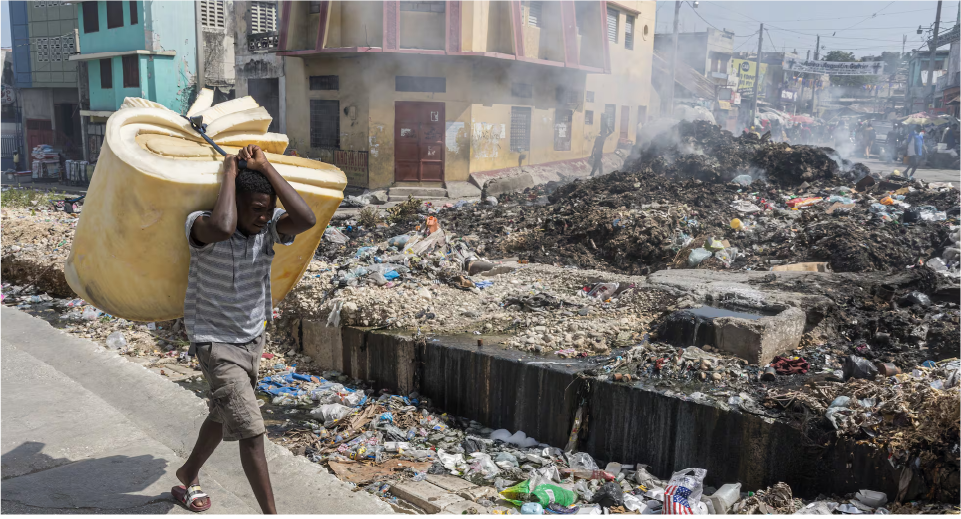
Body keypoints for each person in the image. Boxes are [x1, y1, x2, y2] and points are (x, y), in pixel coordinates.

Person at [173, 144, 317, 514]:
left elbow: (305, 219)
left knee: (225, 414)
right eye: (255, 209)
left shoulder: (267, 231)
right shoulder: (201, 225)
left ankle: (188, 472)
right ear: (235, 201)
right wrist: (230, 173)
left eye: (268, 210)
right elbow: (223, 225)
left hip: (252, 339)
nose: (263, 216)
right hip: (215, 343)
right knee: (251, 431)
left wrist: (266, 167)